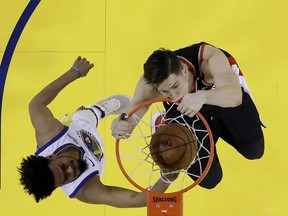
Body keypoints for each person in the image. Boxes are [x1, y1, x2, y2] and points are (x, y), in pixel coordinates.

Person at [18, 56, 177, 207]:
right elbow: (136, 200)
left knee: (89, 116)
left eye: (62, 167)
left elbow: (35, 104)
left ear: (51, 156)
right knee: (122, 124)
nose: (70, 170)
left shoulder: (49, 133)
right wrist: (167, 179)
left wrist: (74, 72)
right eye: (66, 178)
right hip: (96, 152)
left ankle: (99, 110)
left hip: (77, 125)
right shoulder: (85, 190)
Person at [111, 41, 265, 189]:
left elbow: (234, 96)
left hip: (220, 99)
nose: (174, 96)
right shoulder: (150, 83)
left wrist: (203, 96)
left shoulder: (208, 58)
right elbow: (134, 108)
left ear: (184, 69)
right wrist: (121, 124)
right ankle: (164, 123)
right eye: (165, 92)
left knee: (254, 151)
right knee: (210, 180)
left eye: (175, 86)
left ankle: (214, 123)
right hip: (184, 112)